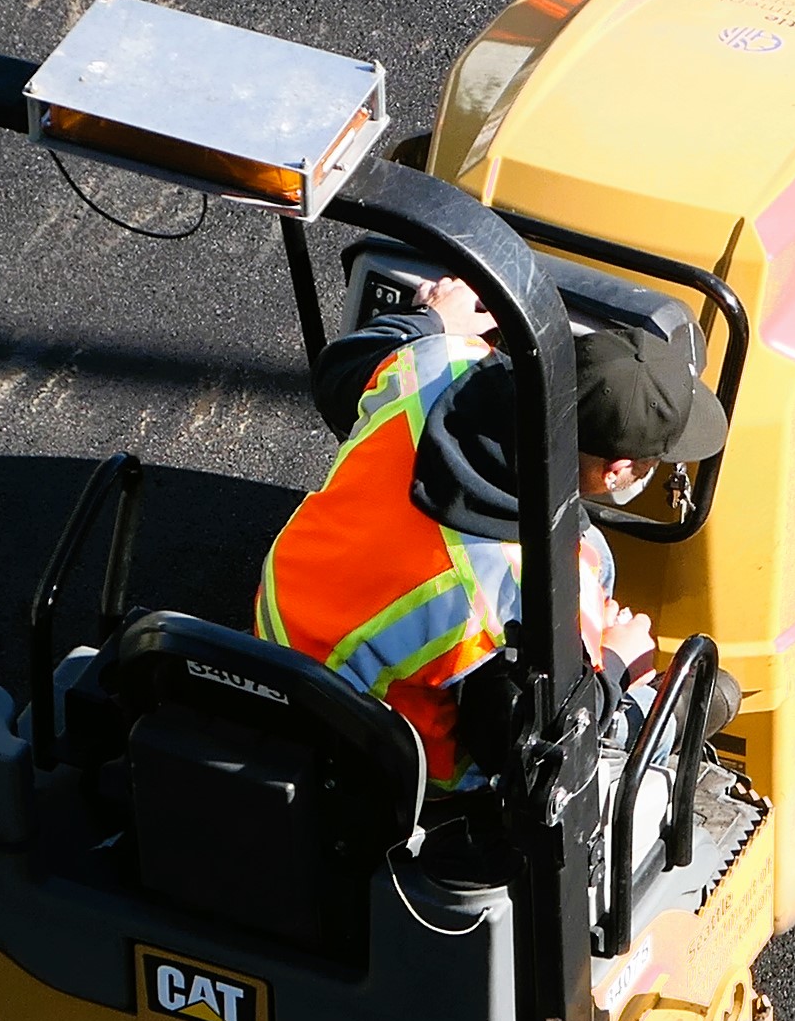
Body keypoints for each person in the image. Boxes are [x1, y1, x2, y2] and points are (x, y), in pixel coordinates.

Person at [256, 279, 729, 784]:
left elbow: (339, 374)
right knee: (704, 697)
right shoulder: (520, 593)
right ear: (615, 471)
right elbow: (528, 751)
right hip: (365, 751)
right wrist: (617, 661)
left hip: (275, 641)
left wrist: (432, 323)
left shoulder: (434, 362)